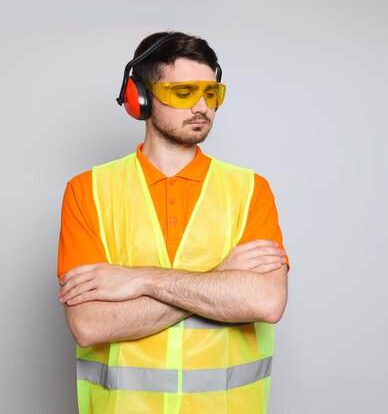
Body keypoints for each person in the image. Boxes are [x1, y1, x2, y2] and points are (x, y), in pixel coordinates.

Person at [57, 31, 289, 414]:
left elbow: (265, 301)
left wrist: (141, 279)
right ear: (141, 98)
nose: (202, 106)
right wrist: (219, 280)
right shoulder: (88, 191)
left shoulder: (250, 189)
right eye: (184, 93)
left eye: (212, 94)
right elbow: (90, 324)